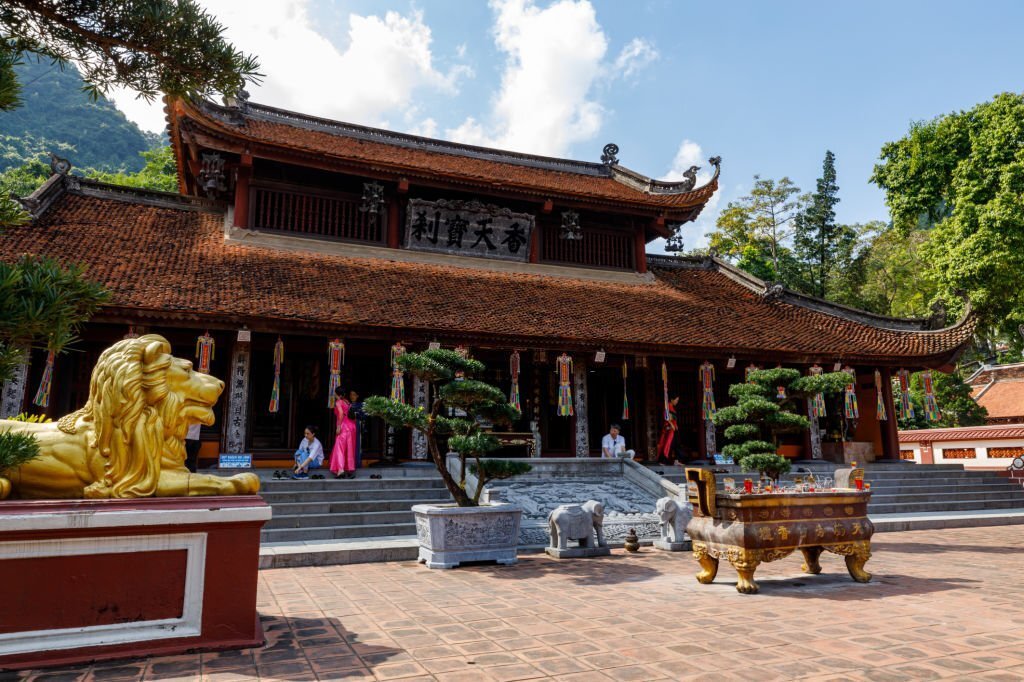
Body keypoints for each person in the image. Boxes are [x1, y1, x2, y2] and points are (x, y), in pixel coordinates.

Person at [330, 386, 358, 479]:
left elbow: (341, 414)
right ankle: (349, 469)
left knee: (340, 448)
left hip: (344, 427)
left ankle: (341, 470)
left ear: (337, 394)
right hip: (352, 427)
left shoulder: (339, 402)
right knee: (349, 448)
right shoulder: (347, 402)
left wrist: (338, 426)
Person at [657, 395, 680, 465]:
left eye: (677, 401)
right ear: (672, 399)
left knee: (677, 444)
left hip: (674, 428)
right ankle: (663, 461)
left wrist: (676, 425)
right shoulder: (668, 406)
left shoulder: (672, 407)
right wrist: (671, 424)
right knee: (668, 444)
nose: (677, 402)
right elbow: (666, 417)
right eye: (676, 400)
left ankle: (676, 460)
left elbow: (674, 419)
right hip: (669, 428)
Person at [348, 389, 364, 470]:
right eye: (351, 394)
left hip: (357, 425)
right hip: (347, 427)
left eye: (354, 394)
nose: (352, 396)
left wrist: (356, 414)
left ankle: (357, 463)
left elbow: (363, 416)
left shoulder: (361, 405)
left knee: (357, 444)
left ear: (357, 396)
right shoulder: (347, 404)